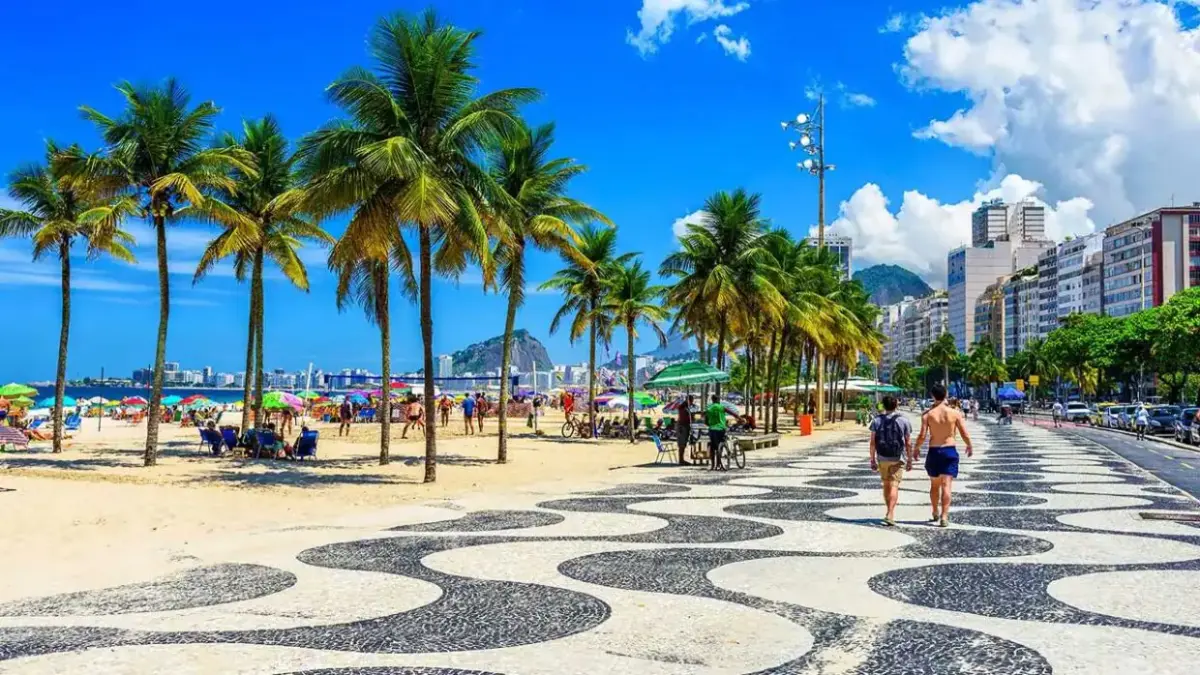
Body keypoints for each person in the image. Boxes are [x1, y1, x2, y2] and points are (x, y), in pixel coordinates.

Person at [913, 384, 974, 528]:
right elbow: (964, 432)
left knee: (934, 485)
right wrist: (969, 445)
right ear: (945, 394)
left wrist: (916, 448)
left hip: (934, 451)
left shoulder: (928, 415)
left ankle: (935, 511)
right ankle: (944, 516)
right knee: (947, 485)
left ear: (932, 396)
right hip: (949, 450)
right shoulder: (955, 413)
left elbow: (922, 435)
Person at [869, 395, 913, 526]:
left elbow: (872, 442)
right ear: (896, 405)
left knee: (886, 484)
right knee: (894, 484)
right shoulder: (904, 421)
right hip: (897, 457)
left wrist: (872, 460)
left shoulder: (876, 421)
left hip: (882, 457)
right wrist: (909, 459)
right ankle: (890, 513)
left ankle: (888, 511)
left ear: (883, 405)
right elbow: (908, 442)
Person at [705, 395, 741, 471]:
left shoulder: (709, 409)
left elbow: (705, 421)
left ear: (712, 400)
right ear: (718, 400)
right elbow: (733, 413)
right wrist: (740, 418)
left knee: (712, 446)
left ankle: (712, 465)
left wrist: (711, 424)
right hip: (721, 429)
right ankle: (719, 463)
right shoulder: (722, 407)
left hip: (712, 429)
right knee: (720, 445)